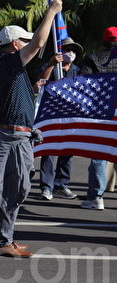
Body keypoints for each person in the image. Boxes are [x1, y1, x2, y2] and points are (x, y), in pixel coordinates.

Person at [0, 0, 63, 258]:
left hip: (18, 135)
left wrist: (47, 69)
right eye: (24, 42)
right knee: (14, 190)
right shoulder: (7, 64)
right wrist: (51, 11)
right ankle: (2, 241)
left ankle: (4, 239)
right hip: (11, 136)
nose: (29, 45)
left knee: (15, 189)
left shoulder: (3, 67)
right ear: (16, 45)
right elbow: (39, 42)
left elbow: (20, 96)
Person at [36, 37, 83, 201]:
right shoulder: (50, 66)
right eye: (66, 49)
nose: (70, 52)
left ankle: (61, 185)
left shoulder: (77, 70)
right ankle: (46, 187)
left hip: (70, 114)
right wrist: (51, 64)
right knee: (49, 150)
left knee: (68, 149)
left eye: (73, 50)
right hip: (51, 114)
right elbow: (40, 83)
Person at [79, 26, 117, 210]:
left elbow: (83, 84)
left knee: (98, 154)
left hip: (101, 111)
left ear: (103, 41)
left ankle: (96, 196)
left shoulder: (92, 58)